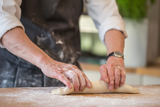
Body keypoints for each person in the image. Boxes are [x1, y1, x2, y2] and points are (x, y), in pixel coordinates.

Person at [0, 0, 127, 92]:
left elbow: (108, 17)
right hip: (17, 73)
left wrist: (115, 56)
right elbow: (4, 21)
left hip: (71, 75)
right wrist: (46, 62)